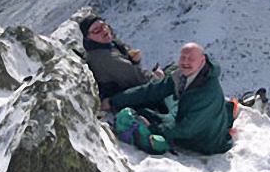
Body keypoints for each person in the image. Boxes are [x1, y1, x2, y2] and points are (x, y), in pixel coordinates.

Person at [101, 42, 237, 155]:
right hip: (194, 122)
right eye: (183, 58)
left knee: (146, 116)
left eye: (190, 59)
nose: (185, 62)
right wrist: (114, 100)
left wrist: (154, 128)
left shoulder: (205, 92)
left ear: (202, 60)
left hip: (205, 141)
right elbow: (151, 90)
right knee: (150, 107)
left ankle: (156, 140)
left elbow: (185, 129)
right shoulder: (186, 75)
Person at [79, 15, 164, 100]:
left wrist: (133, 61)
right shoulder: (105, 58)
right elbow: (138, 79)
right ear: (88, 37)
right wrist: (157, 77)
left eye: (103, 26)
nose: (104, 30)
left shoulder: (104, 46)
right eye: (97, 30)